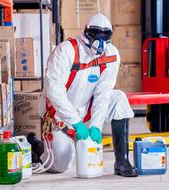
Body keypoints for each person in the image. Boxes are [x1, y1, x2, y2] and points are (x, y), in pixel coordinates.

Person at [29, 13, 138, 177]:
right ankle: (36, 145)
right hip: (58, 114)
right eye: (96, 34)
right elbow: (55, 92)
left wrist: (96, 125)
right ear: (86, 32)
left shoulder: (111, 55)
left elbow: (103, 93)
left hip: (86, 106)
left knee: (119, 99)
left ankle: (122, 161)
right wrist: (76, 123)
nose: (100, 41)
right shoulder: (66, 51)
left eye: (105, 35)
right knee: (59, 166)